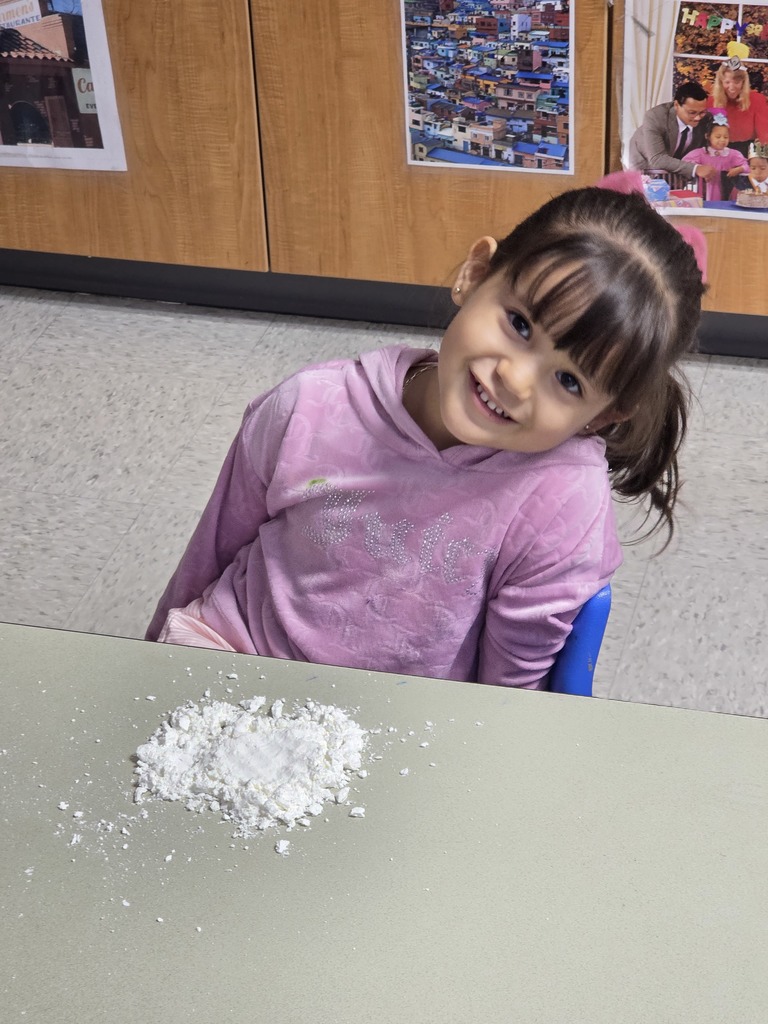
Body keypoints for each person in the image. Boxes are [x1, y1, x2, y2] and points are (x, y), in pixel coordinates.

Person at [146, 178, 707, 689]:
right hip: (232, 650)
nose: (514, 379)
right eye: (519, 325)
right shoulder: (311, 406)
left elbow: (510, 694)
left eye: (567, 379)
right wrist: (145, 672)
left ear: (604, 416)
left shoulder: (561, 504)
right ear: (476, 274)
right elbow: (209, 556)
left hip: (396, 722)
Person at [628, 81, 715, 184]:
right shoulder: (655, 117)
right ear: (676, 105)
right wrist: (695, 169)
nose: (697, 117)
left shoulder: (706, 119)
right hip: (645, 164)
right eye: (692, 113)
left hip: (677, 170)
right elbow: (657, 159)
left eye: (702, 112)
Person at [709, 56, 768, 157]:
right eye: (727, 82)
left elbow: (764, 135)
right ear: (721, 82)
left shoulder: (757, 99)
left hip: (749, 151)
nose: (732, 87)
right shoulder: (712, 101)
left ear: (743, 82)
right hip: (719, 150)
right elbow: (708, 133)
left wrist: (759, 159)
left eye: (736, 82)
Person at [684, 110, 748, 201]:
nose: (722, 140)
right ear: (707, 136)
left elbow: (748, 166)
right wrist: (699, 168)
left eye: (726, 137)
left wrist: (739, 169)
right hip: (705, 194)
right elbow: (685, 163)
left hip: (727, 194)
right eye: (718, 137)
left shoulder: (733, 154)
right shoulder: (700, 154)